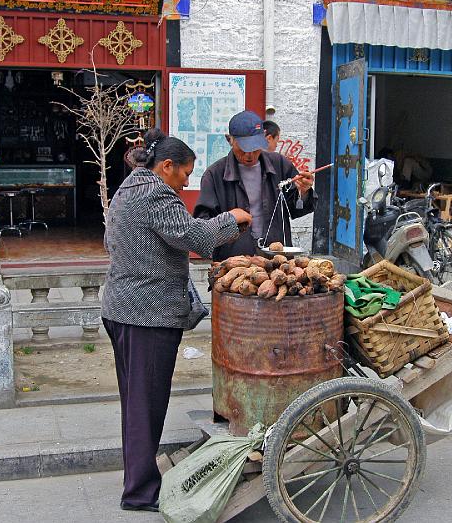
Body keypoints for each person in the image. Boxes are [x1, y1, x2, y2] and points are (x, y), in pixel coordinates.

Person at [101, 128, 252, 512]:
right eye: (184, 174)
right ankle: (139, 491)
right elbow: (190, 234)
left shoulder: (129, 187)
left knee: (137, 402)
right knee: (144, 405)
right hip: (145, 316)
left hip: (123, 309)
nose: (186, 182)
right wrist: (231, 220)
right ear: (166, 166)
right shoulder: (155, 192)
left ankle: (139, 480)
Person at [194, 111, 314, 261]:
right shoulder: (214, 174)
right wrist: (229, 219)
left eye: (255, 148)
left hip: (276, 260)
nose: (249, 155)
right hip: (234, 263)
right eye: (243, 149)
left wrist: (303, 192)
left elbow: (296, 209)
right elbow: (203, 226)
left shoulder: (280, 165)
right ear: (230, 140)